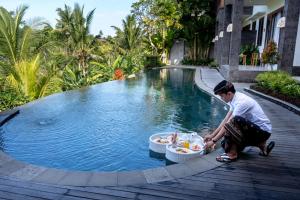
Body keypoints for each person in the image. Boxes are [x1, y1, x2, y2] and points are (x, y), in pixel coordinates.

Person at [204, 80, 275, 162]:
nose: (221, 98)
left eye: (221, 96)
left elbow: (229, 124)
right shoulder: (233, 99)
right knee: (225, 144)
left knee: (235, 121)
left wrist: (213, 141)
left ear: (229, 94)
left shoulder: (241, 102)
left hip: (263, 132)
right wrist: (212, 136)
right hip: (254, 131)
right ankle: (262, 146)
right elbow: (225, 119)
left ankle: (232, 154)